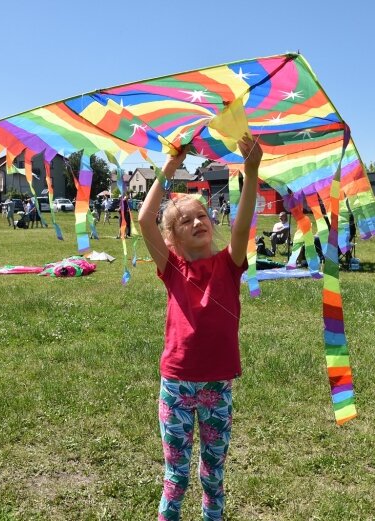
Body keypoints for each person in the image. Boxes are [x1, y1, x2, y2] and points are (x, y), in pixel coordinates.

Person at [138, 135, 261, 521]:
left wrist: (252, 169)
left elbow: (241, 225)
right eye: (185, 220)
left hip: (217, 385)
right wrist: (170, 168)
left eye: (202, 216)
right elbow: (144, 219)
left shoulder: (229, 263)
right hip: (176, 384)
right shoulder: (171, 268)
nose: (197, 222)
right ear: (171, 238)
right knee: (175, 476)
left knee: (214, 475)